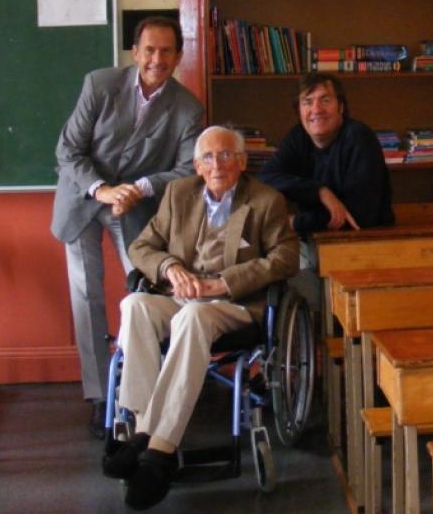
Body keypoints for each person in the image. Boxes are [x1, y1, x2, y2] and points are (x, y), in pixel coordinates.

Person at [102, 126, 299, 510]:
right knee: (134, 305)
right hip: (178, 297)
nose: (216, 164)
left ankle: (160, 448)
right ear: (196, 165)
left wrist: (223, 282)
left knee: (192, 317)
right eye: (207, 157)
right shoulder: (178, 194)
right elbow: (141, 247)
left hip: (232, 305)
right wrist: (170, 267)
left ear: (242, 161)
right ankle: (143, 430)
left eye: (226, 155)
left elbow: (286, 257)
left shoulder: (266, 200)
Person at [50, 16, 203, 439]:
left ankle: (140, 392)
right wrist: (102, 190)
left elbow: (188, 169)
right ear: (134, 53)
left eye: (166, 51)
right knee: (87, 296)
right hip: (83, 197)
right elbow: (68, 150)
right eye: (149, 50)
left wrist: (138, 188)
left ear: (178, 56)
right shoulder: (99, 85)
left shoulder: (188, 108)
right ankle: (100, 396)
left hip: (134, 207)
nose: (157, 59)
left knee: (143, 293)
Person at [256, 72, 394, 308]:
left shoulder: (359, 138)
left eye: (325, 100)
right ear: (299, 111)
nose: (316, 110)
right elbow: (264, 179)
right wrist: (319, 191)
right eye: (307, 102)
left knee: (284, 290)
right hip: (315, 243)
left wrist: (296, 222)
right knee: (263, 274)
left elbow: (356, 217)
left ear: (341, 107)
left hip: (362, 253)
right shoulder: (299, 137)